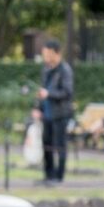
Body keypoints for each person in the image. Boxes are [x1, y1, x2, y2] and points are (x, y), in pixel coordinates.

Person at [35, 42, 73, 182]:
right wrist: (38, 108)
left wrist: (49, 94)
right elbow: (42, 90)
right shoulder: (46, 70)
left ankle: (59, 176)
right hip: (47, 114)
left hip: (60, 114)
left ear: (56, 53)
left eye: (47, 54)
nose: (45, 57)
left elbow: (67, 92)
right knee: (47, 145)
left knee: (60, 145)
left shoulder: (65, 70)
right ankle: (48, 174)